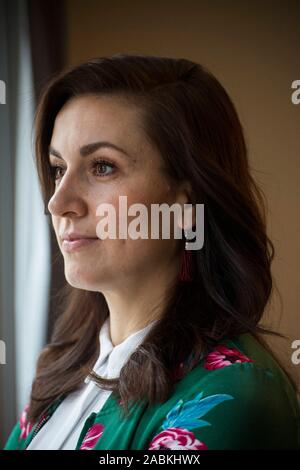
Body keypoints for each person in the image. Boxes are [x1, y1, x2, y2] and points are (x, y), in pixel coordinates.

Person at [4, 54, 300, 450]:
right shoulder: (62, 369)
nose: (58, 202)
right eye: (59, 168)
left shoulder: (232, 393)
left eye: (102, 167)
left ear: (185, 203)